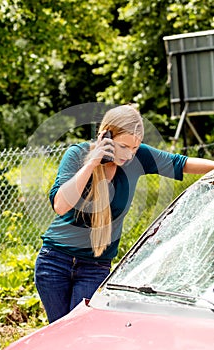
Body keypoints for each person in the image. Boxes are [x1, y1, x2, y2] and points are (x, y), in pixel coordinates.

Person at [35, 104, 214, 323]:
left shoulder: (136, 158)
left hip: (95, 267)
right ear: (106, 136)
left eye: (135, 148)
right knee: (60, 334)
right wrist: (93, 162)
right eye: (124, 146)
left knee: (85, 332)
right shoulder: (77, 154)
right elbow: (61, 205)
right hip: (54, 262)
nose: (129, 154)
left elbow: (180, 163)